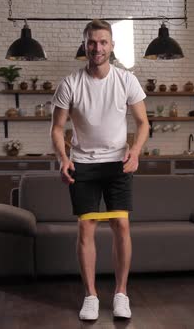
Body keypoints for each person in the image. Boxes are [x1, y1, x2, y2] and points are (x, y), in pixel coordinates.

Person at [50, 19, 150, 321]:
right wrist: (62, 158)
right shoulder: (70, 83)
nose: (97, 47)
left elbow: (143, 123)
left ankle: (121, 294)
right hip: (83, 164)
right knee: (86, 228)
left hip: (118, 164)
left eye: (103, 42)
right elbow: (57, 128)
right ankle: (91, 296)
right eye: (92, 42)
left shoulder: (126, 80)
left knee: (121, 226)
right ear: (85, 45)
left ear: (112, 45)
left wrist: (136, 151)